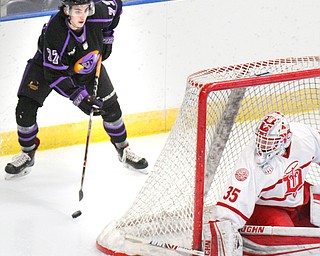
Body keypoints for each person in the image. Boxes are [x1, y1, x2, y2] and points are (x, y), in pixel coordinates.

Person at [5, 0, 148, 179]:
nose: (83, 16)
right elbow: (55, 76)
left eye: (86, 10)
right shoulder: (56, 32)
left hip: (87, 63)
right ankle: (27, 153)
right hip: (48, 67)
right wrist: (81, 98)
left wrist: (108, 35)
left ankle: (124, 149)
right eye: (78, 11)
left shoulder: (98, 14)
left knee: (111, 109)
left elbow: (116, 5)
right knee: (25, 108)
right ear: (67, 10)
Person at [205, 111, 320, 255]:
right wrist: (222, 239)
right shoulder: (250, 164)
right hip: (269, 207)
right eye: (262, 140)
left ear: (286, 139)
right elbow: (229, 210)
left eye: (270, 142)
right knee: (290, 246)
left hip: (299, 198)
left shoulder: (304, 137)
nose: (263, 147)